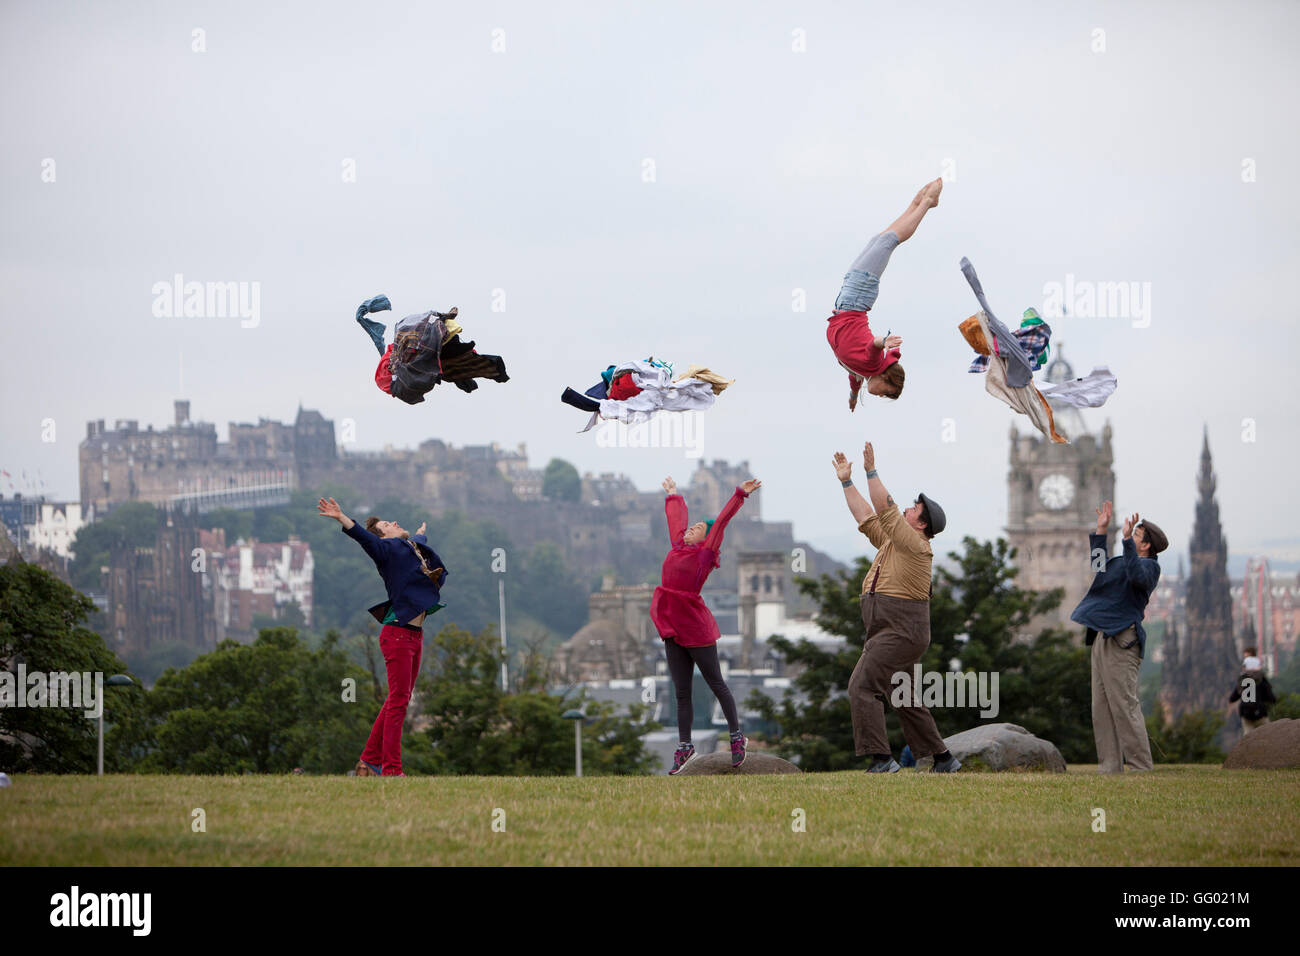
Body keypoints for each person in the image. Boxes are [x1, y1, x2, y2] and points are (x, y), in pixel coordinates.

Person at [834, 441, 959, 773]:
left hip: (901, 630)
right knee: (903, 696)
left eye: (914, 508)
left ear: (921, 524)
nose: (908, 507)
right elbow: (868, 516)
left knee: (861, 686)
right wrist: (847, 482)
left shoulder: (915, 544)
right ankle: (944, 758)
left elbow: (885, 508)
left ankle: (881, 759)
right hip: (892, 628)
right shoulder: (896, 541)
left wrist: (871, 470)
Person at [317, 496, 449, 777]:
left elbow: (414, 541)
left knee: (396, 699)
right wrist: (343, 518)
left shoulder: (405, 545)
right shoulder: (385, 549)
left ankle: (368, 759)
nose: (395, 522)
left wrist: (421, 533)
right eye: (388, 524)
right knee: (399, 701)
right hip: (398, 636)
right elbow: (365, 538)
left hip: (414, 635)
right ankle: (391, 770)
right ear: (383, 535)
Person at [652, 475, 761, 774]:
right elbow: (676, 520)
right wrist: (673, 495)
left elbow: (721, 522)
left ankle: (737, 738)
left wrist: (740, 495)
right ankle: (685, 747)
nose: (691, 529)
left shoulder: (704, 555)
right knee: (681, 691)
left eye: (698, 529)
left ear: (706, 539)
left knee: (716, 683)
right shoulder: (677, 546)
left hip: (695, 625)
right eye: (692, 527)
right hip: (672, 624)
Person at [827, 178, 943, 412]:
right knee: (888, 242)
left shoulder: (861, 370)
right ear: (885, 379)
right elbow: (873, 346)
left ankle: (916, 203)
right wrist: (884, 342)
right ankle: (925, 204)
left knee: (879, 241)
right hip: (857, 298)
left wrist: (852, 396)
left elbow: (854, 378)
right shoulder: (873, 363)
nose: (879, 395)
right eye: (885, 393)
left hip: (848, 298)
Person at [1070, 501, 1168, 773]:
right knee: (1100, 707)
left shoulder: (1149, 568)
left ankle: (1139, 766)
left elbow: (1136, 576)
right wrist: (1101, 530)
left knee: (1124, 705)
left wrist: (1125, 541)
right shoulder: (1125, 560)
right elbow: (1099, 567)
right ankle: (1110, 767)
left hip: (1123, 639)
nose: (1130, 535)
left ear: (1146, 545)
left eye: (1136, 536)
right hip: (1102, 636)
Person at [1229, 646, 1276, 735]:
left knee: (1247, 736)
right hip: (1260, 713)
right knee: (1269, 734)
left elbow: (1233, 698)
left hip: (1246, 714)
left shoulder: (1243, 679)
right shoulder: (1261, 679)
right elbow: (1271, 698)